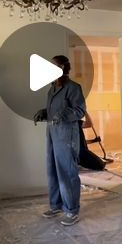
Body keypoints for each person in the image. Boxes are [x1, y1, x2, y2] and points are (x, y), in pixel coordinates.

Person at [33, 55, 86, 226]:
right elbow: (53, 110)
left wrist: (63, 114)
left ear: (62, 68)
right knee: (52, 170)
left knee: (67, 171)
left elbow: (79, 111)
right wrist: (44, 112)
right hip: (52, 133)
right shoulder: (52, 89)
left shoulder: (73, 88)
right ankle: (56, 205)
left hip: (66, 135)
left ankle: (72, 210)